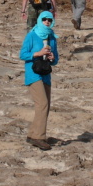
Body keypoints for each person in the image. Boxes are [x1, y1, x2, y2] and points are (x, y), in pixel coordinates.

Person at [19, 10, 59, 151]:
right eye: (44, 19)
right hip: (33, 74)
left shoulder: (52, 37)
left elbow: (56, 60)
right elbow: (22, 54)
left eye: (49, 19)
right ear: (40, 20)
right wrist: (38, 53)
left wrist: (52, 58)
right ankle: (39, 137)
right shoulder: (31, 35)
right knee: (42, 104)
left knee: (45, 106)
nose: (47, 21)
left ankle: (32, 134)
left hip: (45, 74)